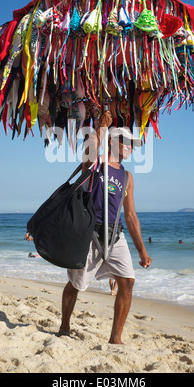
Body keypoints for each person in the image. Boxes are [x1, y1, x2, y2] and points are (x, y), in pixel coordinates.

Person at [58, 111, 152, 344]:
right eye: (126, 142)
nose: (131, 147)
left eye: (133, 144)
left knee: (127, 282)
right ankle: (64, 326)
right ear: (113, 141)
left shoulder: (127, 176)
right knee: (76, 284)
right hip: (91, 232)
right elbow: (86, 157)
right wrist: (100, 127)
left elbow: (130, 214)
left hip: (115, 235)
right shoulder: (97, 163)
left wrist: (142, 250)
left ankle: (115, 338)